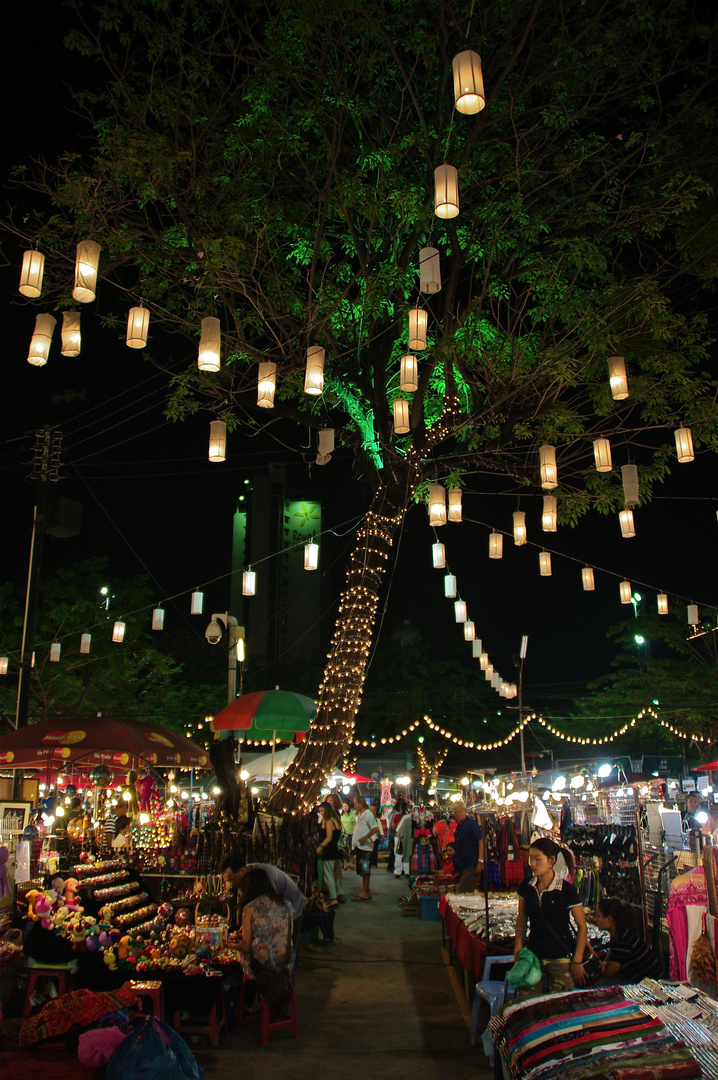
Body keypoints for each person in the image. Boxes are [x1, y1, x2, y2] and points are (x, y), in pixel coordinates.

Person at [514, 837, 589, 993]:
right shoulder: (526, 887)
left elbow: (582, 926)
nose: (532, 864)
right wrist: (518, 945)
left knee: (560, 1008)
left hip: (561, 959)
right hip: (533, 957)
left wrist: (577, 960)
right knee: (530, 1005)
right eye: (531, 859)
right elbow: (522, 917)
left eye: (538, 859)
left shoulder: (566, 890)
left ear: (551, 860)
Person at [235, 867, 293, 1008]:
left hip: (262, 966)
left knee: (240, 957)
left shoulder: (250, 908)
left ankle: (246, 1007)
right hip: (286, 962)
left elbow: (246, 945)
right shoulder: (285, 904)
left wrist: (228, 945)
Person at [219, 855, 305, 928]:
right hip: (276, 910)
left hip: (291, 903)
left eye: (232, 879)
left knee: (287, 940)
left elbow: (271, 906)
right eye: (227, 881)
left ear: (243, 871)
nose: (230, 884)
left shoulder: (262, 876)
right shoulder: (243, 879)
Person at [593, 897, 663, 983]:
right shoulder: (621, 933)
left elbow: (607, 973)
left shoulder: (623, 941)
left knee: (600, 983)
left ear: (609, 919)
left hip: (652, 984)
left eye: (598, 916)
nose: (596, 919)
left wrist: (589, 948)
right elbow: (607, 961)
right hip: (642, 979)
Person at [452, 802, 485, 893]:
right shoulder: (459, 826)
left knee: (464, 892)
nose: (457, 814)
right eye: (455, 812)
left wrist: (480, 861)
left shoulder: (472, 824)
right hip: (462, 866)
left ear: (465, 811)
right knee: (471, 892)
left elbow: (481, 842)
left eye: (459, 811)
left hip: (471, 865)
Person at [317, 801, 344, 906]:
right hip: (337, 851)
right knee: (337, 874)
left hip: (329, 851)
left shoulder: (329, 822)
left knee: (329, 875)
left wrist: (320, 847)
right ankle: (339, 894)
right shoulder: (336, 820)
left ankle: (333, 898)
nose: (322, 813)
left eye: (323, 811)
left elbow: (329, 838)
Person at [352, 796, 379, 900]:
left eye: (355, 804)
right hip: (361, 847)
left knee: (365, 870)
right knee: (364, 871)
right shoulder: (361, 814)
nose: (354, 806)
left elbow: (375, 827)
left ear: (360, 804)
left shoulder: (367, 814)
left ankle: (364, 892)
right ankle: (366, 892)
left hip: (365, 847)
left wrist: (365, 837)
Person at [393, 803, 413, 878]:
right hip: (408, 837)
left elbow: (394, 827)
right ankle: (406, 872)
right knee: (407, 853)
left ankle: (398, 871)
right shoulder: (411, 817)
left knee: (398, 854)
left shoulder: (398, 816)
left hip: (399, 837)